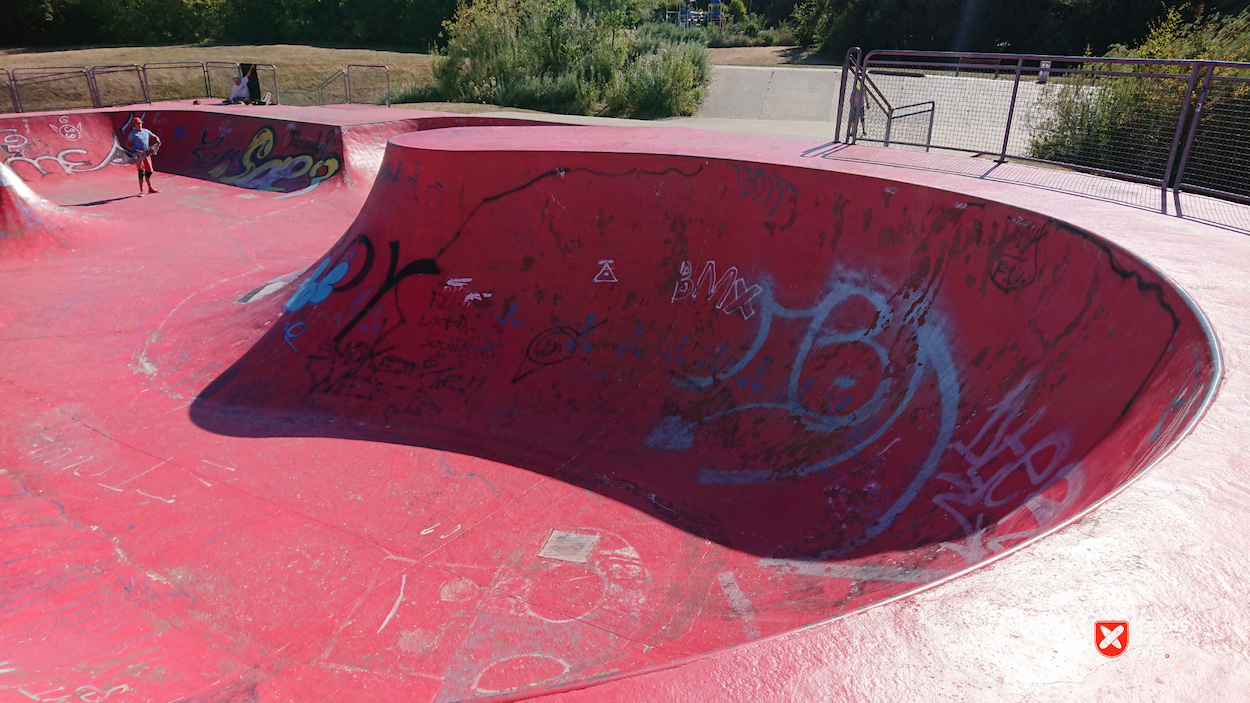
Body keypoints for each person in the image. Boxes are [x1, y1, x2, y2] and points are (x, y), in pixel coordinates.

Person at [123, 116, 161, 196]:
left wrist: (157, 140)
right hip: (139, 155)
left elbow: (154, 136)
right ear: (134, 125)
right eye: (137, 124)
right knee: (141, 172)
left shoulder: (146, 131)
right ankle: (141, 190)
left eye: (140, 123)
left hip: (147, 154)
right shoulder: (133, 134)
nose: (139, 125)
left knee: (149, 171)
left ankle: (150, 188)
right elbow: (127, 144)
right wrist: (134, 150)